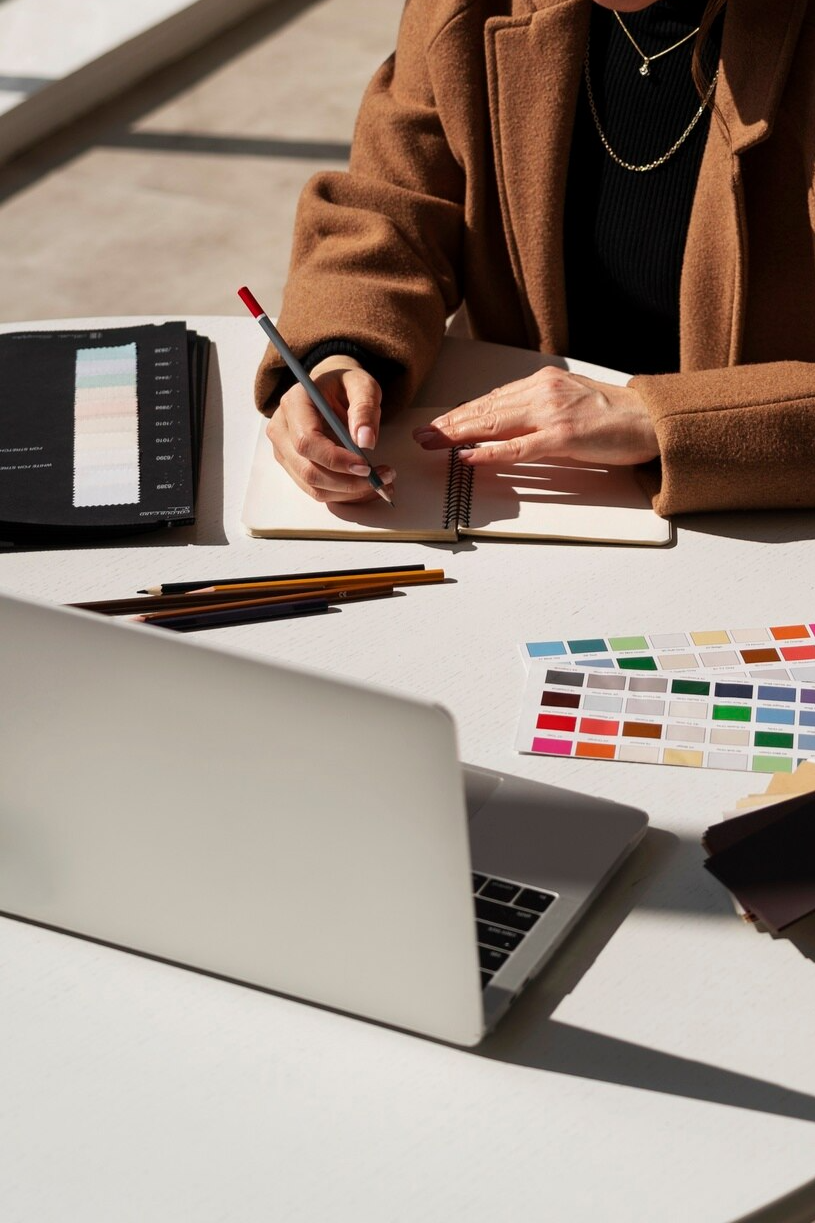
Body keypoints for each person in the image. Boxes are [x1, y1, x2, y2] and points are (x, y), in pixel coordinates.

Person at [254, 0, 815, 515]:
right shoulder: (466, 10)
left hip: (766, 530)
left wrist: (663, 419)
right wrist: (340, 355)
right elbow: (395, 205)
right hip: (524, 497)